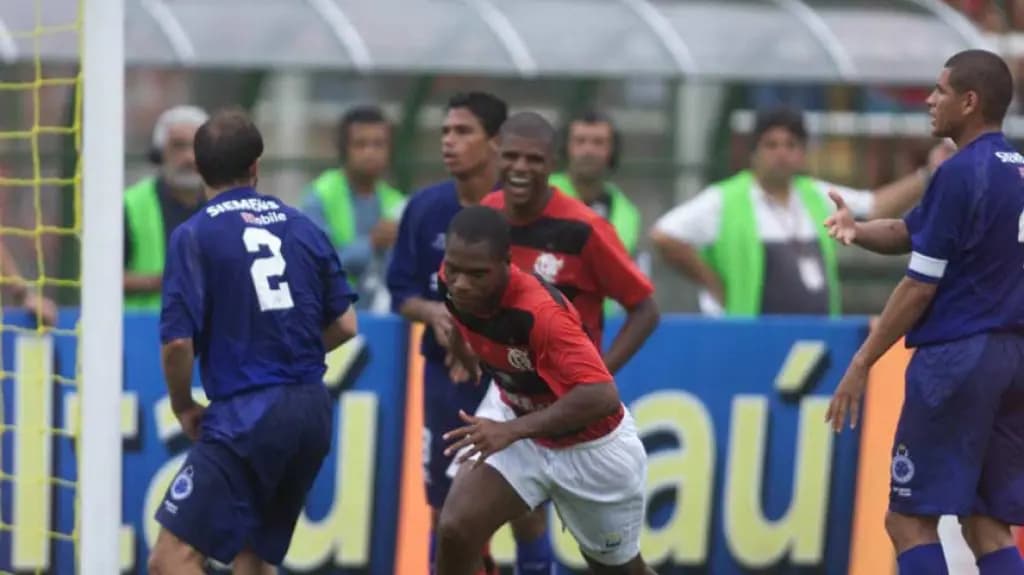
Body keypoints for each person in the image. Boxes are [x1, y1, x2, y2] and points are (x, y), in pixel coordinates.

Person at [825, 50, 1024, 575]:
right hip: (1012, 359)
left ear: (970, 100)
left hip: (958, 359)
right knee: (986, 523)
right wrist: (857, 228)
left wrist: (863, 362)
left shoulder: (958, 173)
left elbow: (918, 286)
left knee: (908, 521)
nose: (930, 101)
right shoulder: (1015, 172)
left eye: (940, 91)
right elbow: (916, 233)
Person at [147, 109, 359, 575]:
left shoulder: (194, 235)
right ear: (256, 166)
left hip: (247, 416)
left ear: (200, 169)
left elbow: (177, 345)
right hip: (309, 412)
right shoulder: (303, 226)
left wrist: (183, 404)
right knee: (252, 559)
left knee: (171, 559)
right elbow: (346, 324)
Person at [474, 111, 659, 573]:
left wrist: (598, 374)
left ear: (551, 162)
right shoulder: (486, 215)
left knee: (612, 564)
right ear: (496, 156)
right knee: (458, 524)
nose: (519, 167)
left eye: (532, 158)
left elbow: (645, 308)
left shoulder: (585, 229)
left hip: (577, 419)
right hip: (509, 399)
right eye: (510, 156)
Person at [434, 205, 655, 575]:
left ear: (506, 264)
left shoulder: (542, 315)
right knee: (456, 529)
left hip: (591, 448)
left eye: (477, 274)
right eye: (453, 270)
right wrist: (462, 349)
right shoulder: (452, 280)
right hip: (517, 422)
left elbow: (602, 396)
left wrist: (510, 431)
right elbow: (457, 310)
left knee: (619, 571)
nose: (460, 283)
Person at [650, 106, 954, 317]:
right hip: (747, 340)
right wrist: (713, 283)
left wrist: (927, 174)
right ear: (754, 151)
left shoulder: (814, 194)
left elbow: (875, 206)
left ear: (803, 152)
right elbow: (664, 236)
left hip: (813, 341)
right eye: (771, 145)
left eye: (790, 145)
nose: (781, 153)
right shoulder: (724, 199)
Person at [385, 91, 508, 574]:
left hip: (507, 378)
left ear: (494, 142)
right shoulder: (425, 207)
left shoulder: (513, 212)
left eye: (463, 132)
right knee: (446, 508)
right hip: (445, 377)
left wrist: (471, 333)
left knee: (526, 513)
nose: (449, 142)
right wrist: (435, 314)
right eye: (445, 132)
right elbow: (400, 290)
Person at [303, 105, 405, 311]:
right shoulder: (321, 195)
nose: (370, 152)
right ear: (343, 148)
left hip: (385, 319)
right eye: (360, 144)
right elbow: (316, 267)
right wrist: (372, 243)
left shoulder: (397, 202)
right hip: (333, 317)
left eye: (379, 144)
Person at [124, 105, 209, 311]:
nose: (189, 157)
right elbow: (101, 277)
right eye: (179, 146)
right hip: (143, 332)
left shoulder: (228, 206)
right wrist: (166, 281)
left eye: (197, 147)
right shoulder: (131, 205)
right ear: (159, 153)